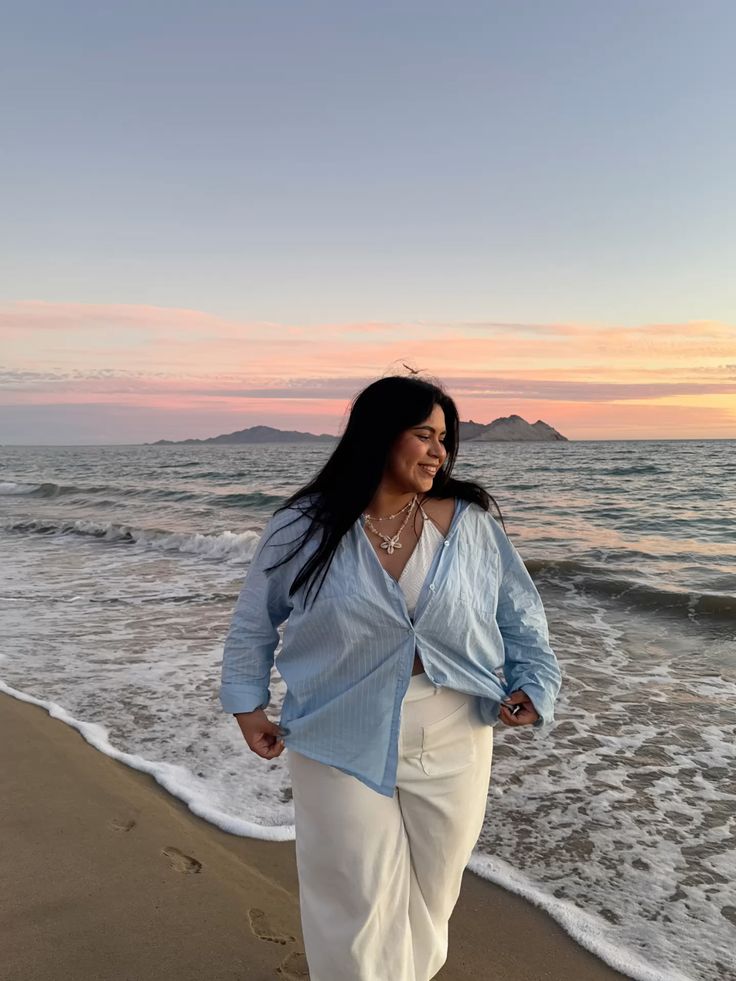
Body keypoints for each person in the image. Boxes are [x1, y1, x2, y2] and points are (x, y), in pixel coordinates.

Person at [220, 374, 562, 981]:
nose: (439, 452)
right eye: (424, 435)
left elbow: (521, 615)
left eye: (444, 439)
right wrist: (248, 707)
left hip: (453, 725)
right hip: (336, 728)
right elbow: (254, 623)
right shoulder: (302, 526)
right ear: (379, 435)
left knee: (433, 893)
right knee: (353, 897)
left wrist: (534, 684)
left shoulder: (470, 523)